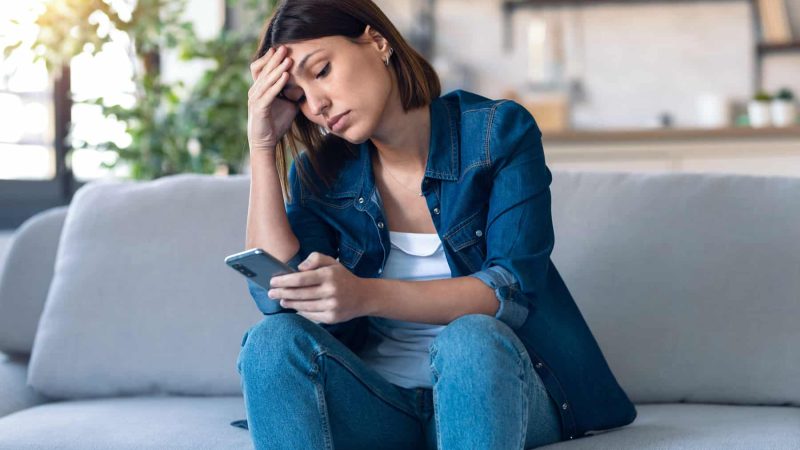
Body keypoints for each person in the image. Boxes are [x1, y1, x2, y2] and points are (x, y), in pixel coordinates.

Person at [234, 1, 636, 449]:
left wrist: (364, 295)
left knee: (470, 337)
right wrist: (262, 145)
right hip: (379, 403)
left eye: (322, 71)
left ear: (377, 41)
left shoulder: (497, 134)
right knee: (271, 341)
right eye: (298, 97)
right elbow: (276, 296)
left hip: (492, 389)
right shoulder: (319, 173)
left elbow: (511, 291)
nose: (317, 105)